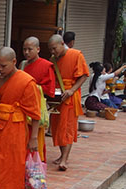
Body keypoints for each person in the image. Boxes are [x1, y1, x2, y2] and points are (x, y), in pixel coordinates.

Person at [0, 47, 41, 189]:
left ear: (14, 62)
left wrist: (34, 138)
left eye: (4, 66)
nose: (0, 69)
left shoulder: (26, 81)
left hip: (16, 129)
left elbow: (36, 114)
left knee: (11, 166)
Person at [48, 34, 89, 171]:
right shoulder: (53, 60)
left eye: (54, 48)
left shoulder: (76, 55)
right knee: (58, 127)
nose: (53, 52)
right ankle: (61, 155)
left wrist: (72, 90)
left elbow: (84, 75)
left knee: (68, 127)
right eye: (51, 50)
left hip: (70, 97)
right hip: (58, 96)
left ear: (62, 43)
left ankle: (65, 159)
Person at [21, 36, 56, 162]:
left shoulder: (46, 66)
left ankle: (35, 166)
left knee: (35, 140)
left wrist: (31, 88)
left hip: (35, 107)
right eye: (24, 49)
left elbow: (49, 89)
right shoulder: (23, 64)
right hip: (22, 109)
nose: (26, 52)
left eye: (30, 49)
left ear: (38, 49)